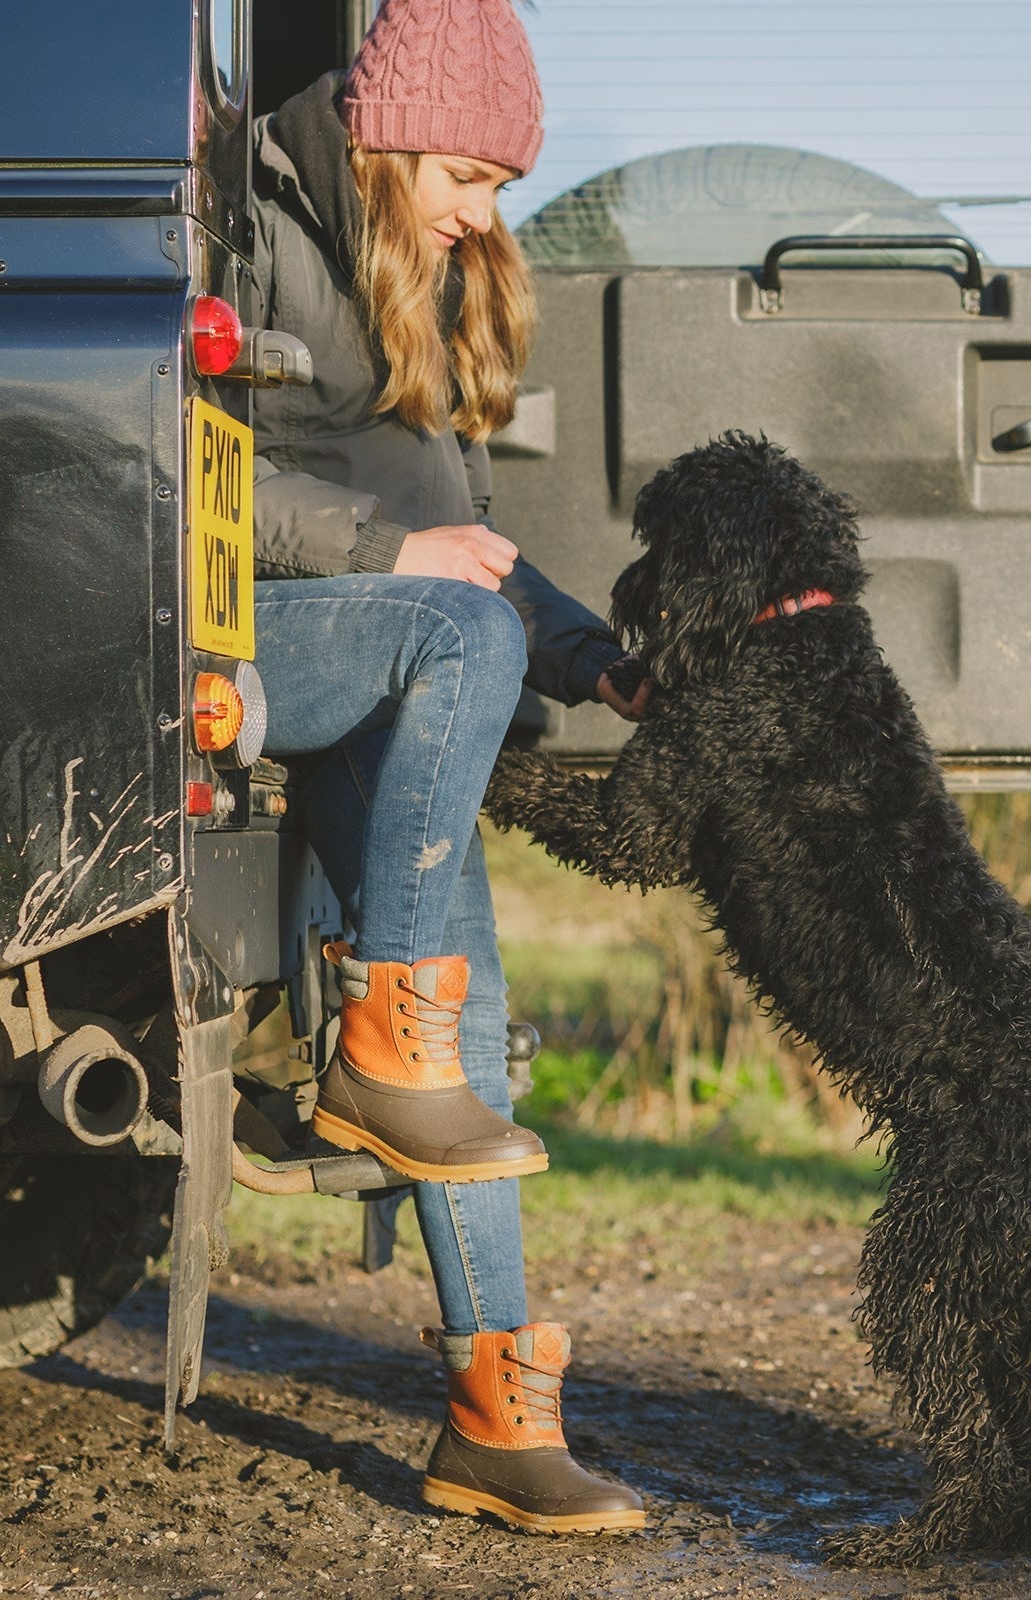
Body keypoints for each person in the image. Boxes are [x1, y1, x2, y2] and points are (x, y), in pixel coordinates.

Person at [242, 0, 646, 1535]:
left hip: (412, 636)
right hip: (275, 628)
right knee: (452, 638)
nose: (486, 213)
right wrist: (388, 551)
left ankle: (496, 1423)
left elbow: (469, 544)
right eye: (468, 175)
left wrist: (601, 657)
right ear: (392, 129)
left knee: (466, 1085)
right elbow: (189, 460)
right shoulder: (261, 218)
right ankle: (370, 1045)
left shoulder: (431, 276)